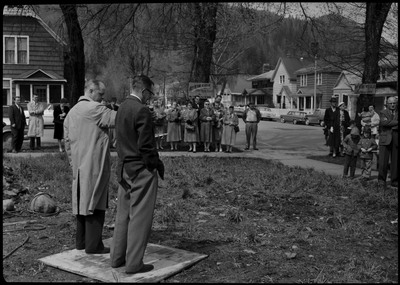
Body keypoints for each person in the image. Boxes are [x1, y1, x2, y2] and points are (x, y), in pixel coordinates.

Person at [111, 74, 164, 275]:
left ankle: (117, 258)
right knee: (140, 217)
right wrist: (154, 165)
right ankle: (134, 264)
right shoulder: (141, 109)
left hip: (124, 168)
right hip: (141, 169)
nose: (151, 97)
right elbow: (146, 145)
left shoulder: (122, 106)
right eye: (150, 93)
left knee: (123, 215)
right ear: (143, 90)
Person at [64, 79, 117, 254]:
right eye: (100, 94)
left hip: (78, 166)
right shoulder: (95, 109)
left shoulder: (72, 112)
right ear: (91, 90)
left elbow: (67, 143)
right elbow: (119, 118)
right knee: (95, 202)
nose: (102, 99)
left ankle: (81, 242)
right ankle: (94, 246)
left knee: (81, 204)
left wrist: (73, 164)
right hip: (94, 165)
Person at [377, 96, 398, 188]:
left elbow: (387, 123)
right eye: (391, 103)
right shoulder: (383, 112)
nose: (393, 105)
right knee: (383, 162)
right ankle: (381, 180)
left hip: (396, 139)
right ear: (387, 104)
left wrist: (390, 123)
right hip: (385, 139)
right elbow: (383, 123)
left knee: (395, 162)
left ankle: (394, 180)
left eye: (394, 103)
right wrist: (396, 123)